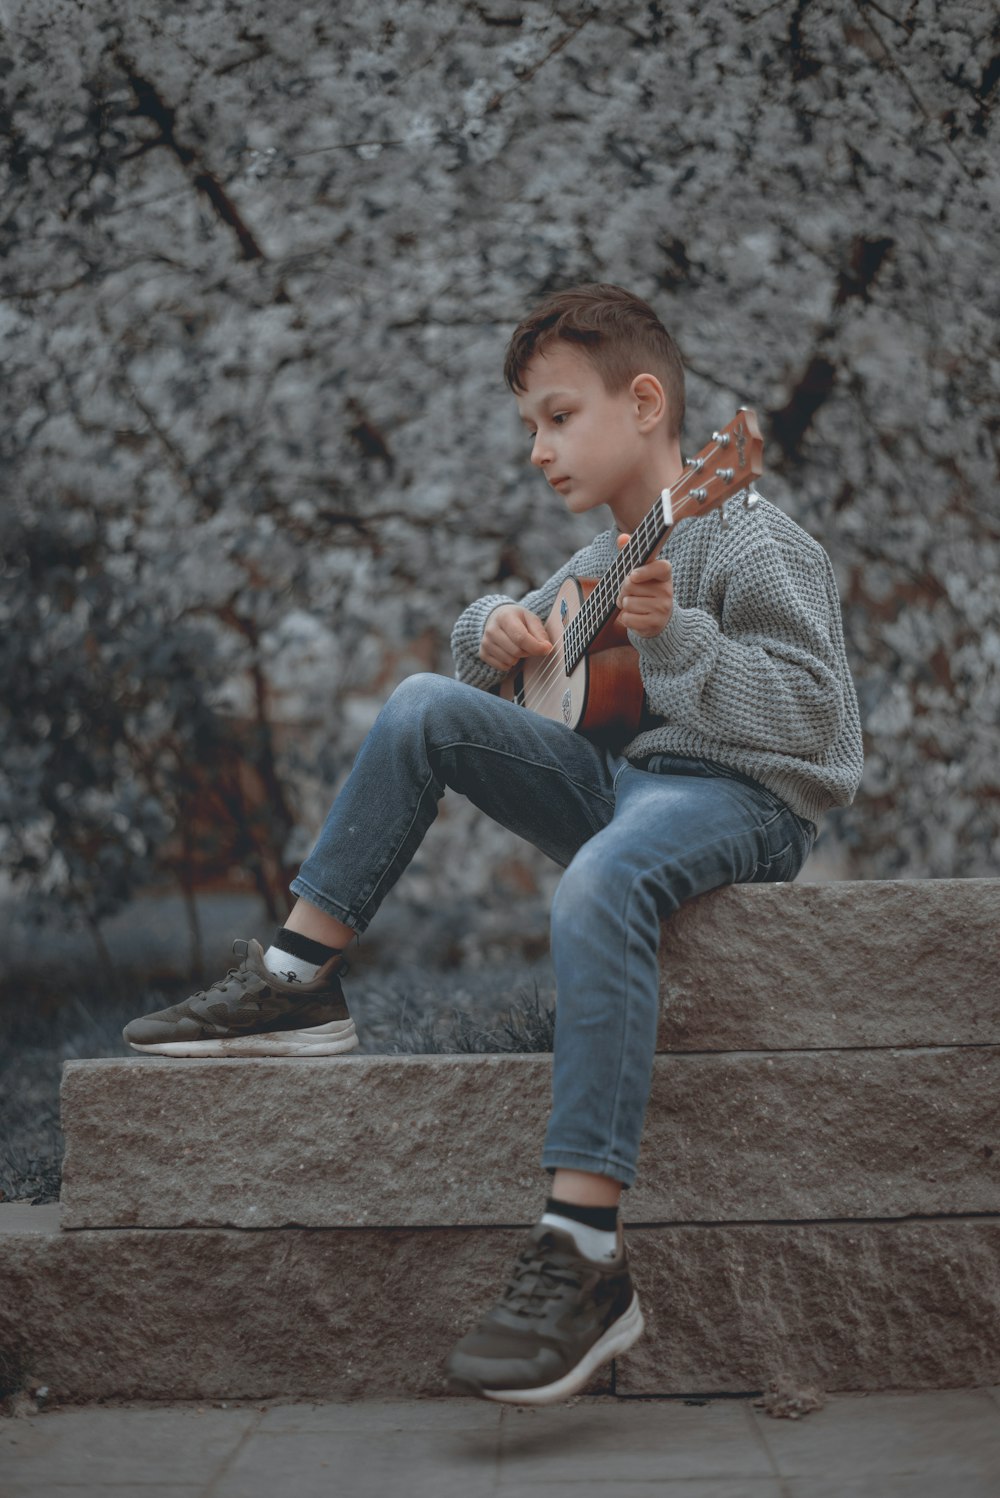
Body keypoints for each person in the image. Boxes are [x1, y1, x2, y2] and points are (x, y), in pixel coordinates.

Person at [123, 283, 864, 1405]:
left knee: (603, 877)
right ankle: (294, 980)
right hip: (625, 783)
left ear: (647, 402)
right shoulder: (599, 557)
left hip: (736, 800)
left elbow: (824, 731)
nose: (537, 449)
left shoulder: (755, 538)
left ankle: (584, 1256)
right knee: (422, 699)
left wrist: (686, 642)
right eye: (531, 426)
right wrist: (494, 626)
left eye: (556, 417)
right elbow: (499, 670)